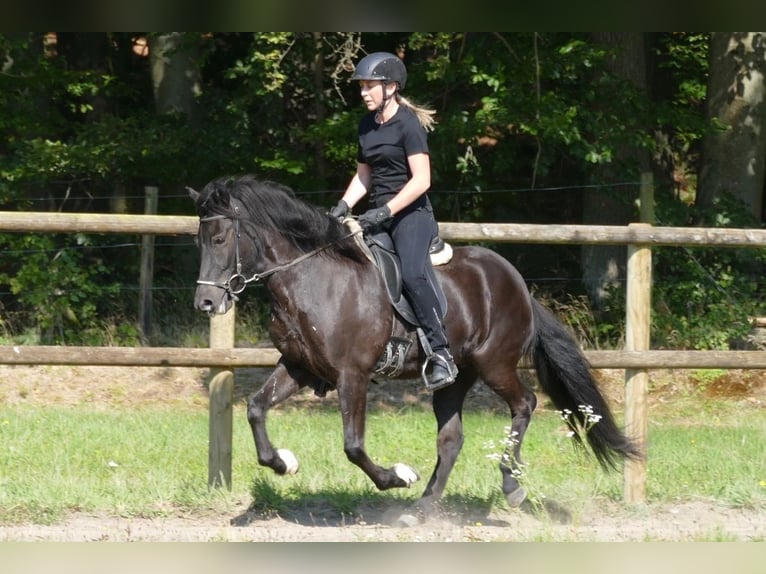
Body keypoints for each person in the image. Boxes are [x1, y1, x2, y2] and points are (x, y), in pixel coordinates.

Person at [328, 51, 458, 391]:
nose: (363, 93)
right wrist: (344, 204)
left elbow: (422, 180)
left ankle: (440, 352)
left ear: (391, 87)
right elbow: (364, 176)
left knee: (413, 273)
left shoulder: (408, 125)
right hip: (376, 217)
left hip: (412, 215)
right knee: (358, 270)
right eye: (362, 87)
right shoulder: (366, 126)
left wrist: (387, 211)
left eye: (369, 86)